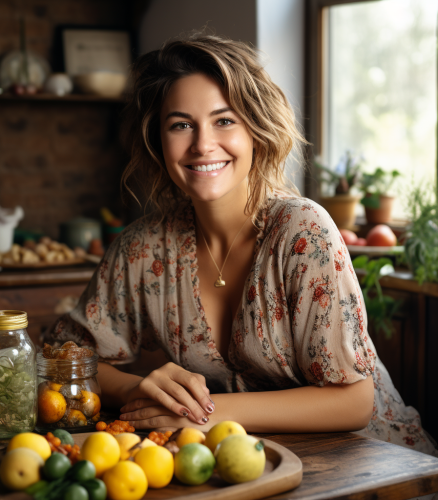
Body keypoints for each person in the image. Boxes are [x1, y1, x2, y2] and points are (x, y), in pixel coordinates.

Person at [46, 34, 437, 457]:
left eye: (224, 120)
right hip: (252, 464)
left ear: (256, 128)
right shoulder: (143, 248)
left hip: (378, 463)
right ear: (158, 141)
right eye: (181, 125)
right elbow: (60, 359)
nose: (202, 144)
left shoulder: (302, 231)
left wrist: (207, 413)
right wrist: (138, 386)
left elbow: (355, 402)